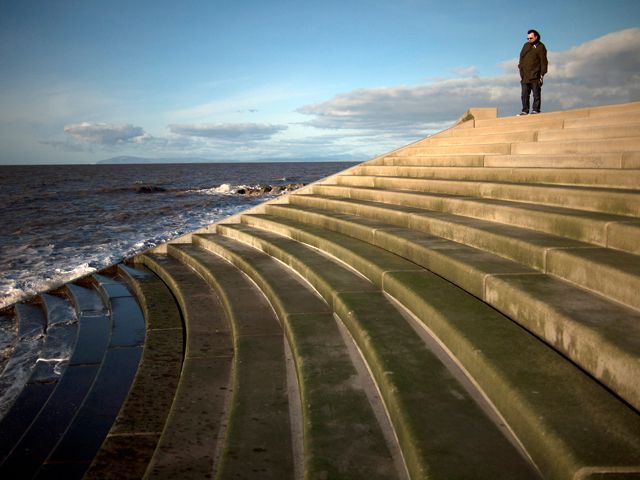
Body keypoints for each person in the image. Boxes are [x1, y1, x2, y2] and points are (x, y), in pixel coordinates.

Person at [518, 29, 548, 115]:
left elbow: (544, 61)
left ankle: (536, 109)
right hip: (525, 76)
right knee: (524, 95)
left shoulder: (541, 47)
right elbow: (521, 57)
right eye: (527, 38)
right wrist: (520, 67)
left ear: (536, 37)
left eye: (530, 38)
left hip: (535, 75)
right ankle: (525, 110)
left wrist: (542, 74)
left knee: (536, 94)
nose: (529, 40)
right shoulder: (526, 45)